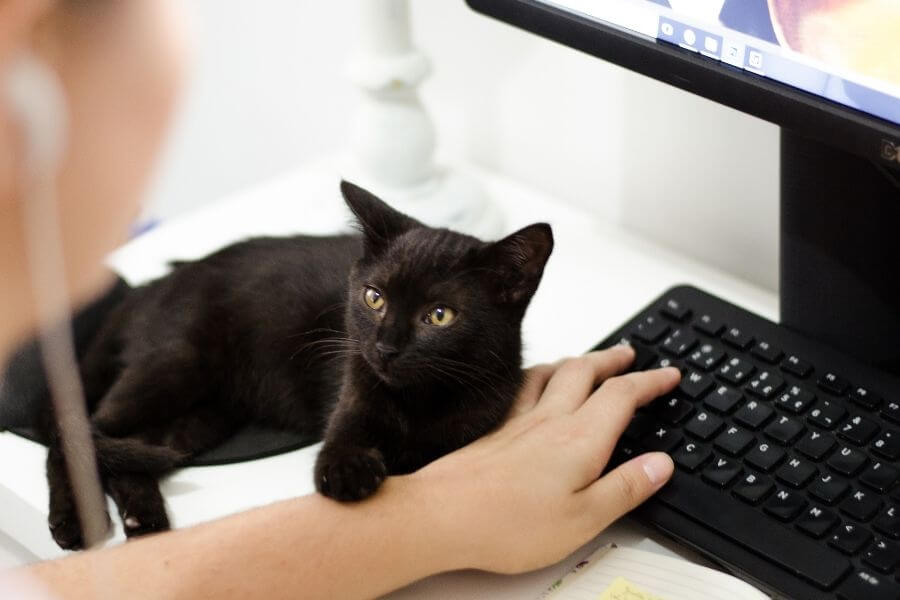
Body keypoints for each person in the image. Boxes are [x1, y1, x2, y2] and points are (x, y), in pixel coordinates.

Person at [0, 1, 679, 598]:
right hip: (218, 305)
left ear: (512, 287)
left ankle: (124, 467)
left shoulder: (476, 358)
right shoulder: (365, 355)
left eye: (436, 316)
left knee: (186, 430)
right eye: (376, 300)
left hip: (248, 387)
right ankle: (78, 453)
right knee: (164, 379)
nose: (383, 343)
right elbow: (342, 462)